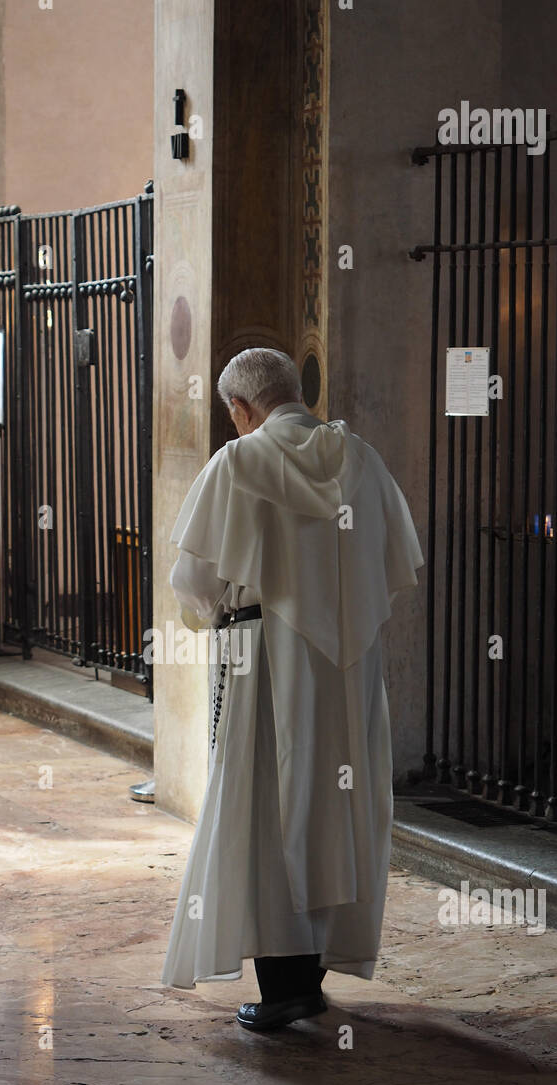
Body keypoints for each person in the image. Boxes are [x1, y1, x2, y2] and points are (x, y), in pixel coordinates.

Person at [161, 348, 423, 1031]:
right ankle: (311, 971)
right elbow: (394, 562)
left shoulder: (238, 463)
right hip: (347, 666)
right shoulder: (359, 459)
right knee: (336, 803)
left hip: (264, 661)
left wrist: (220, 609)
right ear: (297, 393)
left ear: (240, 408)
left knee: (267, 805)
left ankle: (281, 986)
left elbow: (193, 580)